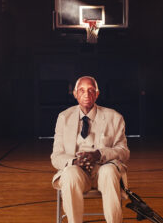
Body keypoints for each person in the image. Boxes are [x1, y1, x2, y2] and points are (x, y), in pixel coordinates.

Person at [51, 76, 130, 223]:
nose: (86, 94)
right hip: (78, 173)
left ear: (97, 94)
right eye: (82, 90)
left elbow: (123, 151)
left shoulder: (114, 117)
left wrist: (99, 154)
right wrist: (74, 161)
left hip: (103, 171)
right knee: (69, 173)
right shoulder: (64, 118)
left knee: (110, 171)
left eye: (91, 90)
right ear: (75, 94)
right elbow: (56, 156)